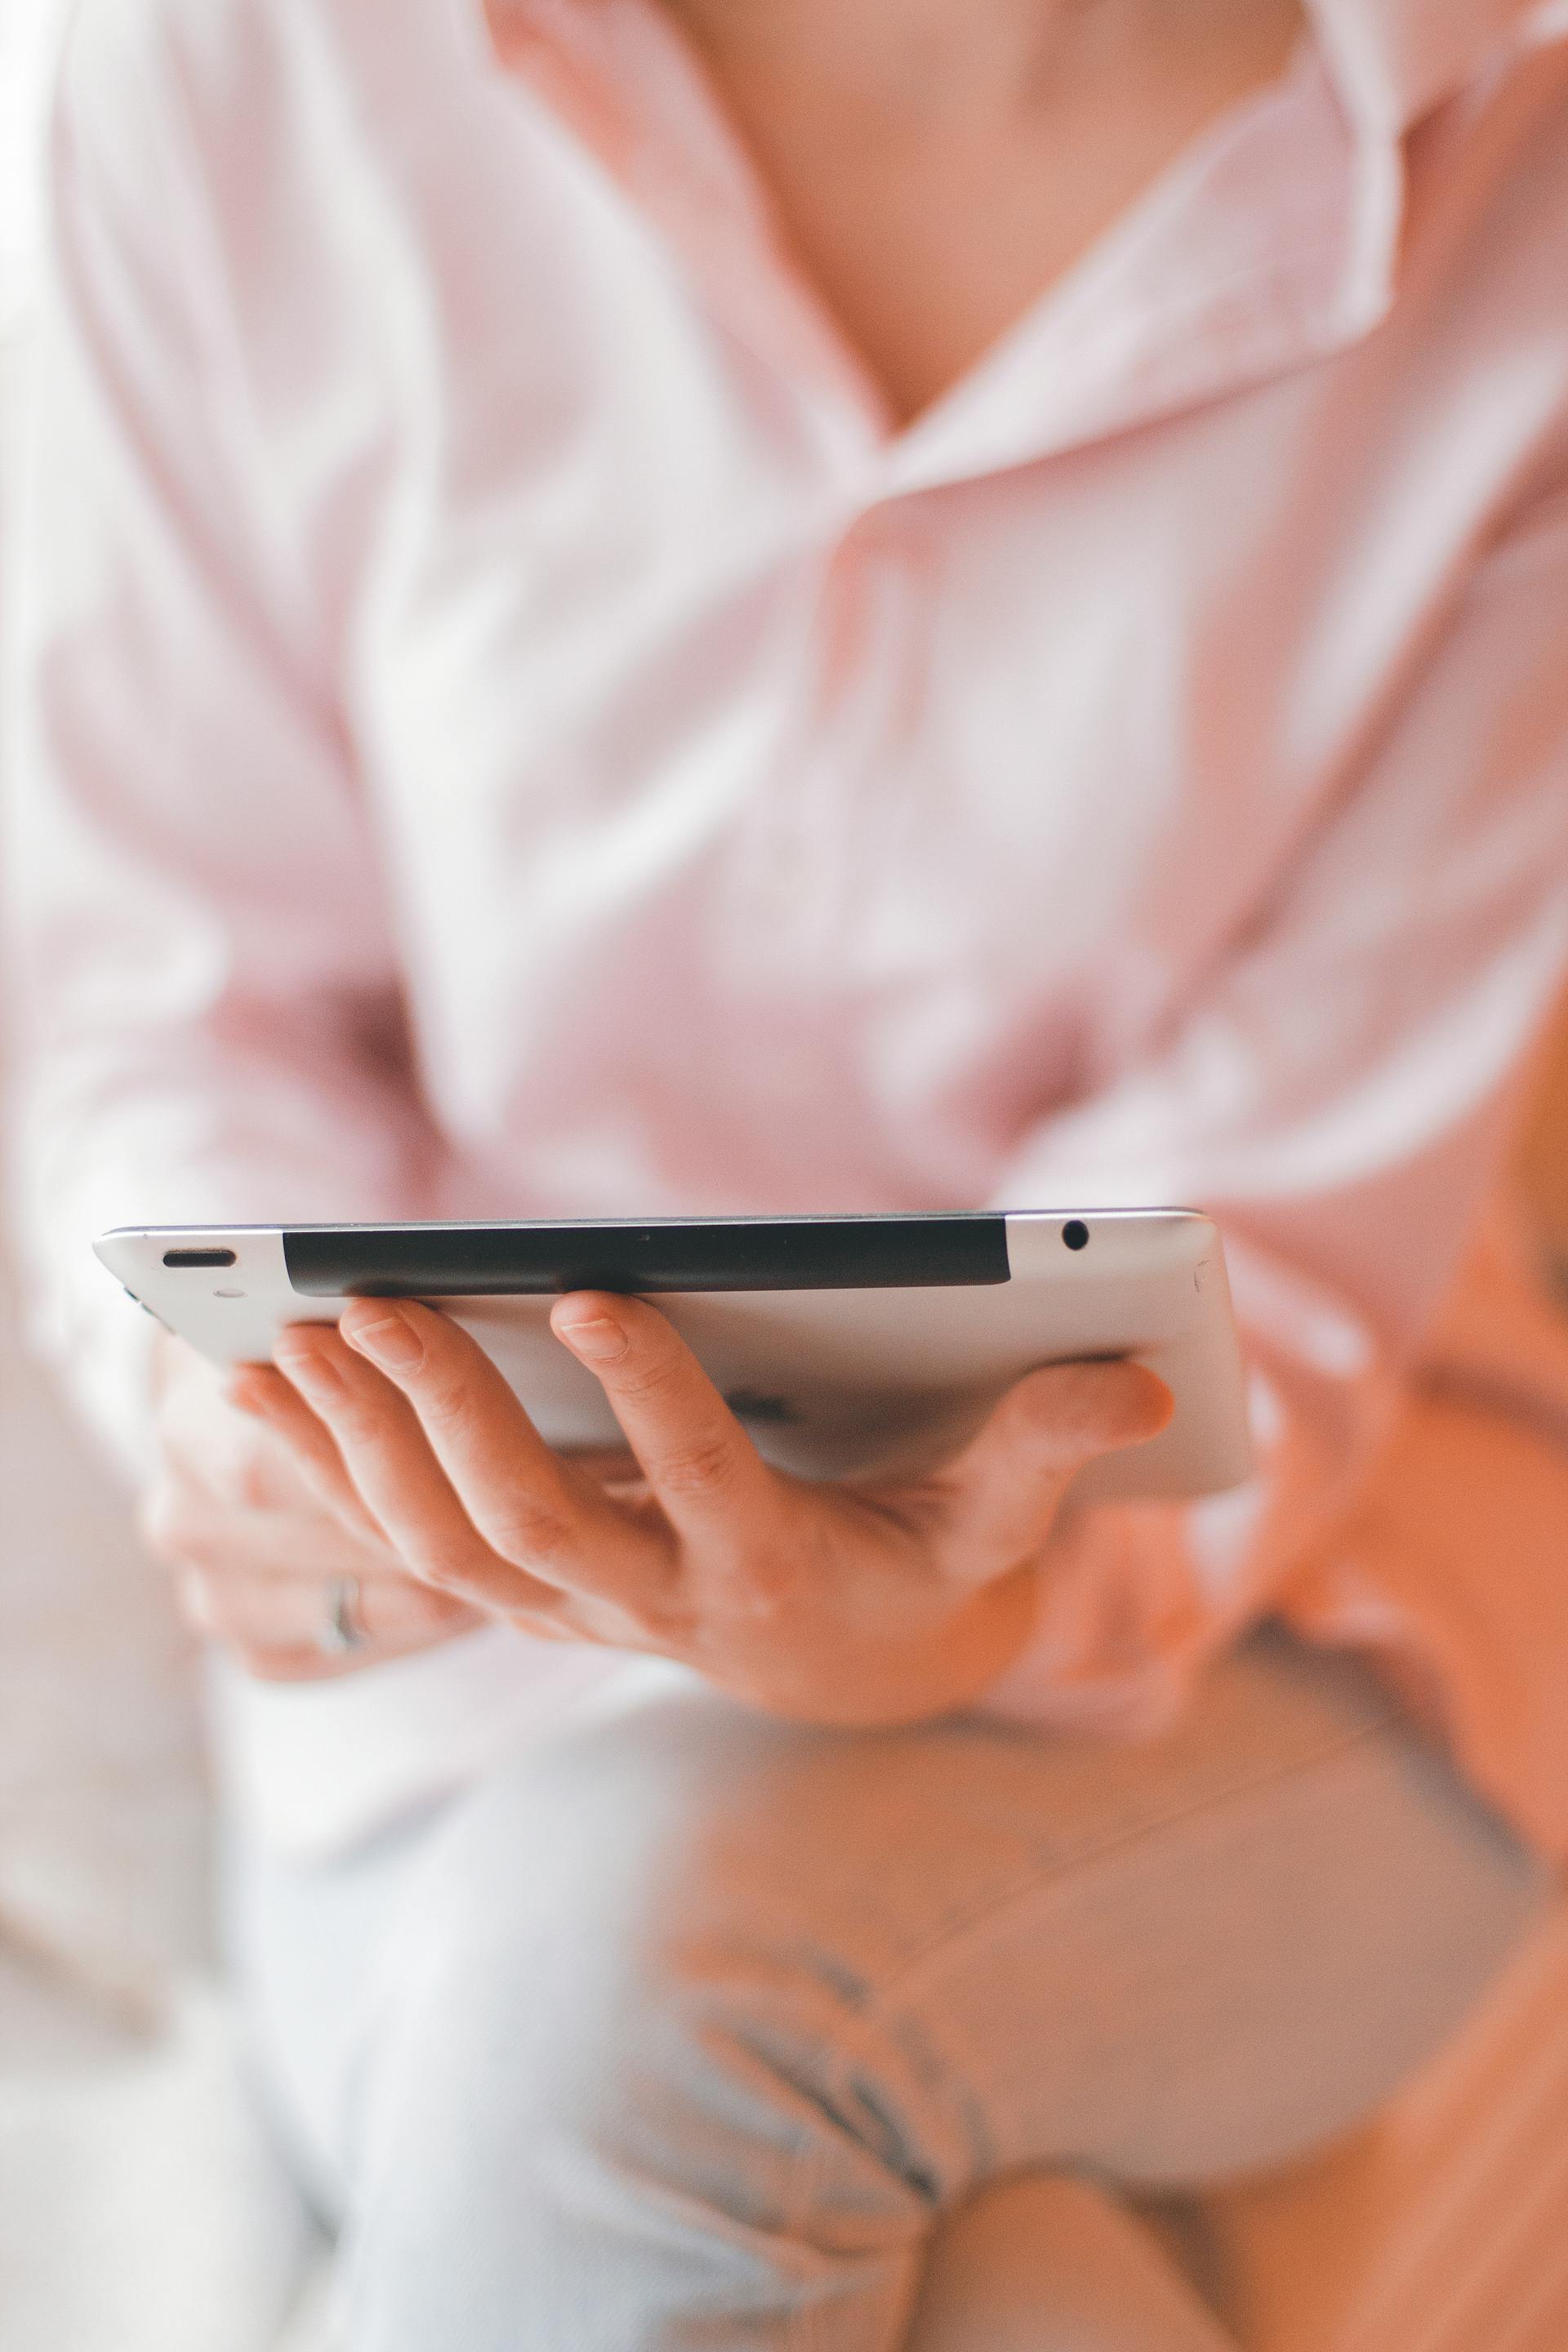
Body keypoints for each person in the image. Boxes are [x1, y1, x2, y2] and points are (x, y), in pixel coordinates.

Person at [6, 0, 1568, 2342]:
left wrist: (979, 1609)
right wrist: (272, 1452)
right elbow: (171, 998)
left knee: (638, 2004)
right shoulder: (230, 65)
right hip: (452, 1657)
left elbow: (1297, 1224)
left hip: (1298, 1615)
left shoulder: (1519, 177)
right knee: (1011, 2297)